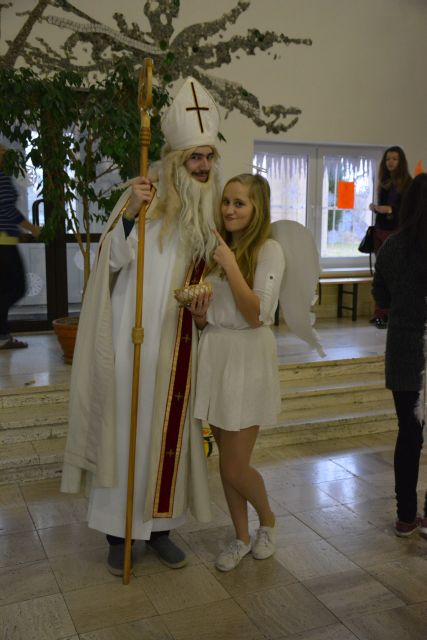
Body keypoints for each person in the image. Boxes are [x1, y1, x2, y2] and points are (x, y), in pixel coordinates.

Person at [60, 77, 222, 575]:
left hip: (176, 346)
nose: (203, 166)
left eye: (208, 157)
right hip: (131, 345)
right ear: (175, 161)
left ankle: (161, 529)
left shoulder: (206, 216)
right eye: (195, 158)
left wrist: (203, 311)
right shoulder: (142, 200)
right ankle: (118, 533)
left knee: (166, 437)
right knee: (125, 434)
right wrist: (130, 215)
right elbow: (108, 263)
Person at [190, 174, 285, 571]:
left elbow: (256, 314)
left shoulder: (268, 250)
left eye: (239, 203)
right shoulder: (216, 249)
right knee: (226, 462)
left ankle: (268, 521)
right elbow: (216, 314)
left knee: (235, 465)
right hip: (217, 353)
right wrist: (200, 317)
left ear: (257, 208)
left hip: (248, 357)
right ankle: (241, 537)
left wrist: (230, 265)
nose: (229, 209)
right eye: (226, 201)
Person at [372, 172, 427, 538]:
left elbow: (381, 297)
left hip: (405, 348)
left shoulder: (393, 246)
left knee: (409, 434)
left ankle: (406, 516)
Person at [0, 144, 41, 350]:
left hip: (7, 239)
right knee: (16, 288)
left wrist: (18, 233)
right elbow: (6, 209)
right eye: (1, 151)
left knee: (5, 289)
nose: (5, 153)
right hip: (3, 242)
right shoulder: (1, 178)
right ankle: (2, 335)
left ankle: (3, 335)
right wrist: (32, 228)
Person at [369, 146, 412, 329]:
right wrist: (376, 208)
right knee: (381, 274)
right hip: (380, 231)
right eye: (388, 159)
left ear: (401, 161)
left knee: (394, 274)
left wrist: (389, 209)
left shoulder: (407, 183)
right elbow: (383, 208)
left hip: (396, 233)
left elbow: (409, 209)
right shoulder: (384, 182)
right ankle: (380, 313)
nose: (390, 162)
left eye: (394, 159)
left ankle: (392, 313)